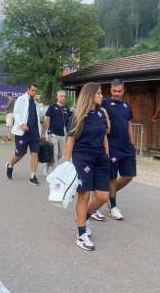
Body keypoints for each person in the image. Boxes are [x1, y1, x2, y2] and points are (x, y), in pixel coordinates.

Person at [64, 82, 110, 251]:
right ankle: (81, 234)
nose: (101, 96)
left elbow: (104, 135)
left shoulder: (100, 113)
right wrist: (67, 162)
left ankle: (83, 217)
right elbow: (70, 139)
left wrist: (107, 153)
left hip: (100, 158)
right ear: (90, 95)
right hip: (83, 158)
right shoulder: (78, 115)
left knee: (103, 196)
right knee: (84, 196)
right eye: (98, 93)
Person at [93, 79, 136, 221]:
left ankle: (107, 194)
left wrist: (132, 142)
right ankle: (113, 207)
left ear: (123, 91)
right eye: (114, 91)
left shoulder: (127, 105)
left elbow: (129, 124)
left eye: (119, 91)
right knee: (111, 177)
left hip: (126, 147)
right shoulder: (104, 103)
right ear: (110, 90)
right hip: (111, 146)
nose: (117, 93)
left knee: (128, 176)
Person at [5, 84, 42, 186]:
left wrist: (39, 103)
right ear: (28, 89)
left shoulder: (35, 101)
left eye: (36, 91)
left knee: (35, 153)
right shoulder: (21, 99)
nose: (34, 93)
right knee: (20, 154)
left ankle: (32, 176)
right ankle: (10, 165)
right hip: (23, 132)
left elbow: (41, 114)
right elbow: (16, 112)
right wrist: (21, 124)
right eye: (32, 90)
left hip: (34, 132)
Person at [42, 90, 70, 174]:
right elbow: (46, 120)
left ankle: (47, 163)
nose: (63, 97)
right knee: (54, 153)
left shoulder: (67, 108)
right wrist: (43, 133)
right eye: (61, 96)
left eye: (64, 96)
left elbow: (69, 122)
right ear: (57, 97)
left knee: (60, 155)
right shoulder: (52, 107)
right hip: (52, 133)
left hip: (62, 134)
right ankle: (54, 173)